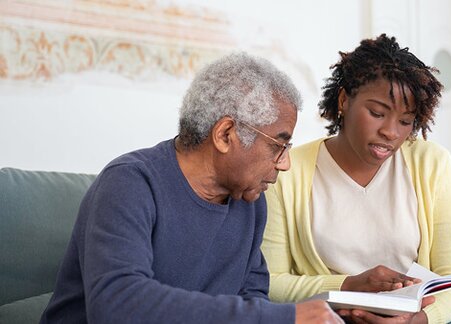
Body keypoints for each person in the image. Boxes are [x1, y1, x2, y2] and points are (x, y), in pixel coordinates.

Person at [40, 52, 345, 324]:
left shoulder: (250, 202)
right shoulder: (129, 183)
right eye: (278, 145)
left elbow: (253, 300)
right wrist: (284, 318)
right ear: (225, 134)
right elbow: (117, 305)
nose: (284, 164)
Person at [261, 34, 451, 324]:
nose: (391, 132)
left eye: (406, 121)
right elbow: (270, 282)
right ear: (344, 100)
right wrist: (348, 285)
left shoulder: (433, 165)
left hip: (419, 317)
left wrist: (417, 320)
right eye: (377, 113)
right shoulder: (288, 170)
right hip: (330, 317)